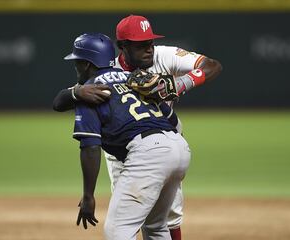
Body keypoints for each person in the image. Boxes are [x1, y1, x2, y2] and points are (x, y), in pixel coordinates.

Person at [53, 15, 222, 240]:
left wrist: (179, 84)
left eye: (150, 42)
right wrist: (76, 92)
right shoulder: (108, 72)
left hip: (148, 147)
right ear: (122, 47)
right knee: (154, 224)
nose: (149, 48)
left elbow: (212, 65)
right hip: (163, 144)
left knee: (122, 228)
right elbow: (62, 99)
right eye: (141, 44)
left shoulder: (163, 55)